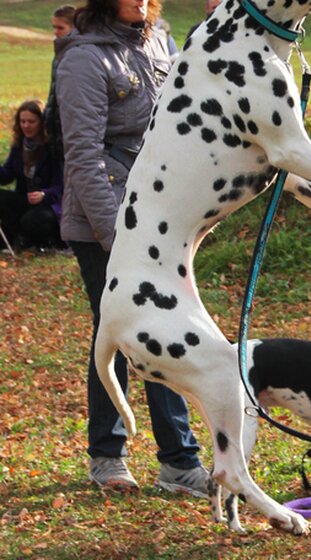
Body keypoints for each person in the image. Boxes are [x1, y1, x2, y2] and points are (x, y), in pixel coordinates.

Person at [55, 0, 209, 496]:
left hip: (161, 214)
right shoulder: (83, 57)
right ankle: (108, 454)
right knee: (116, 332)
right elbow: (83, 155)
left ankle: (178, 463)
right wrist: (117, 234)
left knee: (166, 327)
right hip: (105, 222)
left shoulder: (162, 42)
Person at [0, 100, 64, 250]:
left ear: (41, 123)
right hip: (24, 199)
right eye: (22, 121)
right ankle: (15, 238)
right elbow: (7, 176)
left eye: (31, 122)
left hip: (48, 205)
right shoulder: (19, 146)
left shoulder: (52, 149)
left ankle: (41, 240)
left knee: (33, 220)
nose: (26, 126)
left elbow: (60, 185)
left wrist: (44, 194)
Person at [44, 4, 76, 164]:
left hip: (70, 136)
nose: (55, 32)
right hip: (57, 134)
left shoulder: (78, 56)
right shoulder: (59, 54)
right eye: (54, 27)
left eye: (60, 27)